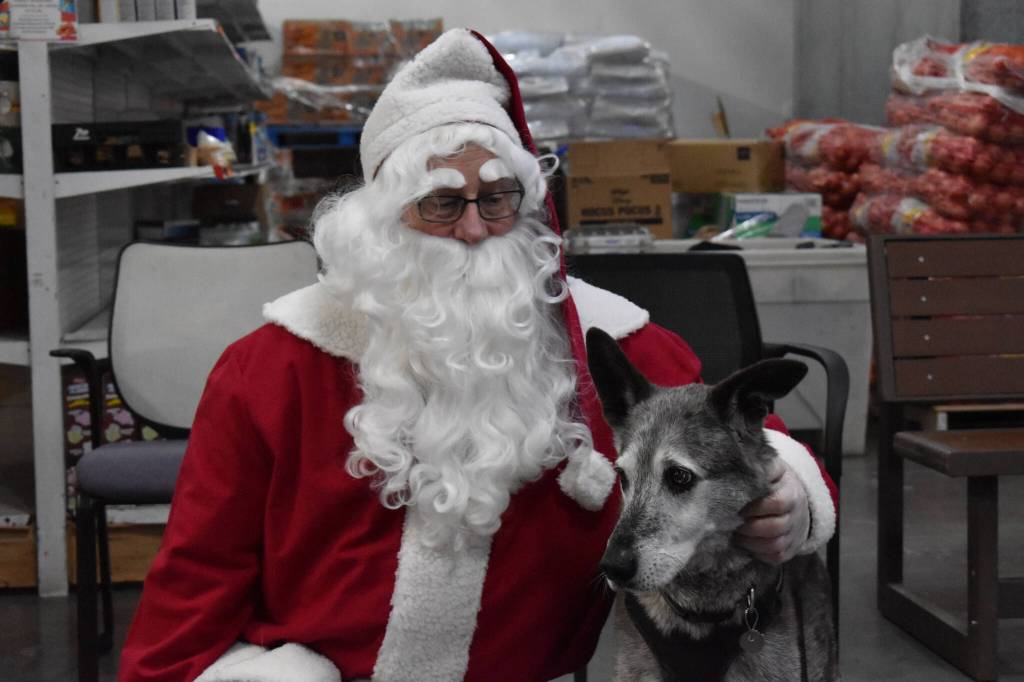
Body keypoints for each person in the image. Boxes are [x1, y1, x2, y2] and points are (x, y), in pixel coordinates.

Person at [119, 29, 837, 682]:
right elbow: (198, 576)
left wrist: (790, 502)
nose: (473, 230)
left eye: (497, 200)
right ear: (378, 221)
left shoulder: (603, 336)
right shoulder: (273, 368)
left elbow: (751, 441)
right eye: (441, 203)